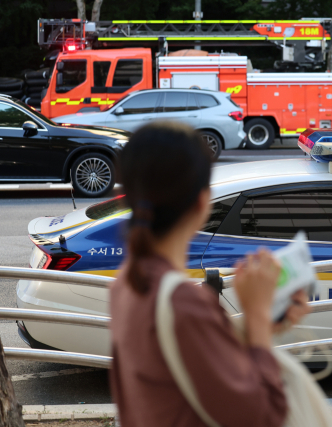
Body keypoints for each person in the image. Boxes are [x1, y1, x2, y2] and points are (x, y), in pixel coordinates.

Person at [109, 121, 311, 427]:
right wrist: (256, 316)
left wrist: (262, 326)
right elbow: (263, 417)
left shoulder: (128, 281)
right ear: (202, 203)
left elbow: (197, 369)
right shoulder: (182, 303)